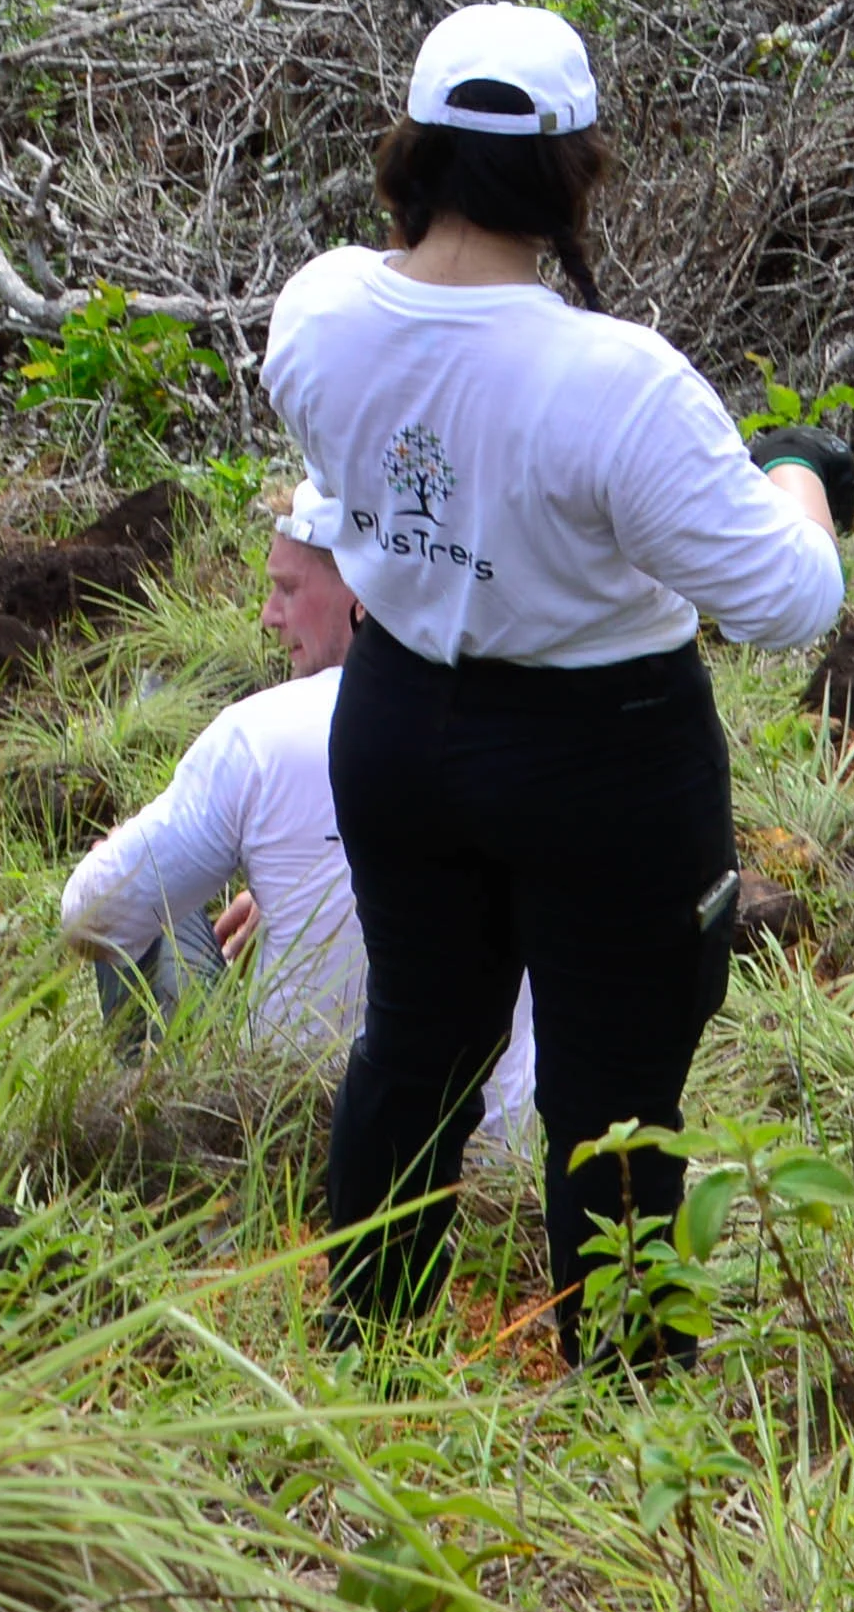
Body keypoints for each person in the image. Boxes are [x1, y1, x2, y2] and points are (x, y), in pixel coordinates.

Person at [263, 4, 854, 1348]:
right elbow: (784, 598)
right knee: (617, 1096)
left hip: (403, 721)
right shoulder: (618, 383)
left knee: (414, 1054)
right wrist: (804, 477)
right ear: (571, 174)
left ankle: (371, 1354)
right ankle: (628, 1402)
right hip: (608, 755)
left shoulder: (319, 312)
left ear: (409, 153)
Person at [55, 485, 536, 1141]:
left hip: (288, 1138)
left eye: (286, 588)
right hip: (499, 1161)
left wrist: (107, 860)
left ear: (362, 595)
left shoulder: (262, 735)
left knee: (130, 890)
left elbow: (90, 918)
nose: (267, 616)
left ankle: (156, 1136)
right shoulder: (529, 723)